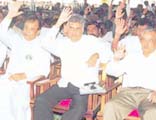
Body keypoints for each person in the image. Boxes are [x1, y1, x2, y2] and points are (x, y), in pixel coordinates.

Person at [34, 7, 112, 120]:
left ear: (82, 29)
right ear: (67, 29)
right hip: (65, 84)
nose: (74, 31)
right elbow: (45, 43)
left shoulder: (92, 41)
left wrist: (97, 55)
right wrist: (58, 23)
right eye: (71, 28)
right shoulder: (63, 43)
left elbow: (109, 55)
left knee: (78, 110)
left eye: (78, 28)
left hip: (83, 86)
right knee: (41, 100)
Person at [0, 1, 51, 120]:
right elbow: (1, 33)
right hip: (9, 80)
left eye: (32, 29)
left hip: (28, 84)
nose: (27, 31)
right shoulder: (17, 40)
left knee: (13, 99)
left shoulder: (42, 46)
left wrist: (25, 75)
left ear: (38, 31)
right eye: (26, 27)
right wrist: (9, 16)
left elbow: (44, 70)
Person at [103, 28, 156, 120]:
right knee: (110, 106)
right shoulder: (132, 57)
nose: (146, 44)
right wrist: (116, 59)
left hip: (149, 95)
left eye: (150, 40)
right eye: (143, 40)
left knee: (153, 113)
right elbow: (111, 71)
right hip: (127, 94)